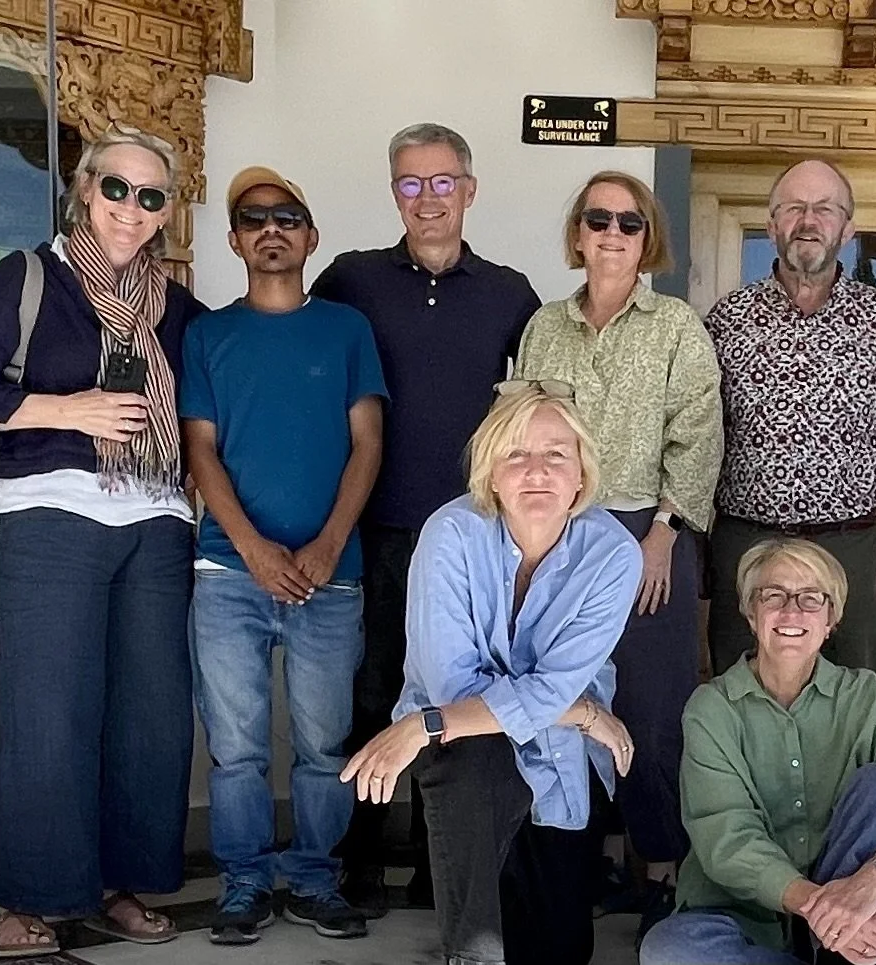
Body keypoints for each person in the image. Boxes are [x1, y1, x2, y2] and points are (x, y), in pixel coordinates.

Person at [0, 124, 205, 958]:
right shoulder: (28, 277)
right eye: (115, 187)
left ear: (165, 211)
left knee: (150, 718)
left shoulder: (177, 306)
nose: (130, 206)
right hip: (50, 512)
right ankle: (34, 897)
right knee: (49, 712)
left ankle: (122, 883)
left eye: (150, 195)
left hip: (157, 520)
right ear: (85, 190)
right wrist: (68, 409)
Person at [311, 122, 541, 912]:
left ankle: (441, 867)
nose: (428, 197)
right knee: (372, 691)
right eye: (411, 183)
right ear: (394, 193)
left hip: (476, 536)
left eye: (443, 181)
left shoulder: (510, 293)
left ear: (469, 190)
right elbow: (309, 366)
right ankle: (361, 857)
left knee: (456, 696)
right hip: (376, 527)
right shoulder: (352, 280)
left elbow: (535, 409)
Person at [341, 383, 643, 965]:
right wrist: (581, 712)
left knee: (558, 949)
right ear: (491, 473)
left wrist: (423, 725)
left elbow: (546, 686)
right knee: (473, 762)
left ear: (581, 473)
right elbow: (452, 691)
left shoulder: (613, 553)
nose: (537, 471)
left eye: (556, 454)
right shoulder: (450, 534)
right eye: (516, 454)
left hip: (555, 754)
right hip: (466, 750)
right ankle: (472, 956)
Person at [513, 170, 722, 938]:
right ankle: (593, 859)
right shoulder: (544, 326)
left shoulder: (675, 327)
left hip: (645, 532)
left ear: (647, 238)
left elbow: (697, 433)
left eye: (628, 223)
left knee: (653, 712)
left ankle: (661, 866)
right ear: (578, 232)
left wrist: (664, 532)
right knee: (571, 699)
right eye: (597, 219)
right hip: (560, 536)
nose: (611, 233)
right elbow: (521, 429)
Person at [182, 166, 387, 945]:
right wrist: (253, 548)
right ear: (235, 241)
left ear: (311, 237)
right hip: (228, 572)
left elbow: (368, 443)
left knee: (323, 744)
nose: (272, 228)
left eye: (288, 217)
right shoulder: (207, 335)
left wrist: (329, 543)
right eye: (253, 218)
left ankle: (313, 879)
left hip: (331, 575)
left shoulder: (347, 328)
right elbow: (201, 451)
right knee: (235, 749)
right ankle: (243, 884)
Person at [640, 538, 876, 965]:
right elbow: (726, 837)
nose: (791, 612)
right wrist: (821, 908)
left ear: (831, 619)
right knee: (667, 950)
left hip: (853, 918)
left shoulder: (865, 697)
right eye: (774, 596)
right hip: (742, 917)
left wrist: (872, 883)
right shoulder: (711, 708)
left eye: (810, 598)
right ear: (751, 614)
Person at [705, 159, 876, 677]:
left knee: (853, 690)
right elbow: (698, 433)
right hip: (748, 543)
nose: (808, 221)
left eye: (825, 209)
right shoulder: (727, 319)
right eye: (794, 208)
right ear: (772, 226)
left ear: (847, 229)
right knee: (740, 689)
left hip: (850, 545)